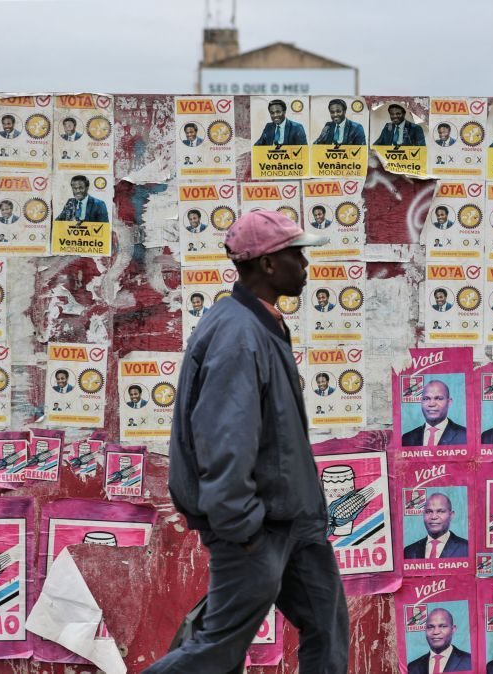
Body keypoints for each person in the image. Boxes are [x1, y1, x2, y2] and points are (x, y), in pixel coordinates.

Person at [147, 210, 347, 673]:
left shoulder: (262, 323)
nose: (305, 263)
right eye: (296, 254)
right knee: (216, 649)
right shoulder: (238, 335)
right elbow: (225, 441)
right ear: (268, 265)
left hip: (295, 523)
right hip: (257, 529)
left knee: (327, 630)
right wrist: (243, 529)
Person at [401, 380, 468, 447]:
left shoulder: (466, 436)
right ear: (421, 402)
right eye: (426, 399)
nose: (432, 404)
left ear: (449, 402)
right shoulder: (406, 438)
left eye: (439, 398)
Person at [402, 493, 469, 559]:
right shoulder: (409, 551)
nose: (434, 517)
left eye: (440, 511)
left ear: (451, 515)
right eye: (429, 511)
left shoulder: (466, 548)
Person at [407, 608, 472, 673]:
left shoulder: (469, 661)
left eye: (443, 626)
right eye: (430, 627)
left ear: (453, 629)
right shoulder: (412, 667)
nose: (436, 632)